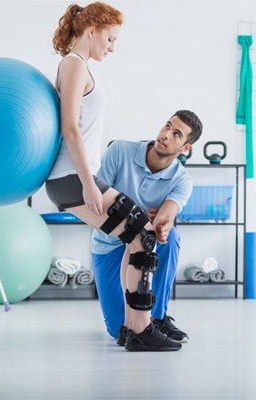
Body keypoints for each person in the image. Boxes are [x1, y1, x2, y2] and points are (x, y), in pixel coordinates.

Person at [45, 2, 200, 352]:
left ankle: (135, 329)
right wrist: (88, 181)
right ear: (93, 30)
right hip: (71, 176)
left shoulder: (80, 67)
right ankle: (141, 330)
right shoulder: (74, 65)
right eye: (111, 39)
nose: (112, 47)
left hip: (75, 175)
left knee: (141, 237)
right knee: (142, 236)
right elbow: (70, 128)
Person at [91, 110, 203, 347]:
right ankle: (143, 320)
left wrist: (159, 222)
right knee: (119, 330)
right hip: (108, 246)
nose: (165, 135)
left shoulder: (182, 180)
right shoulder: (120, 151)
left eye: (176, 134)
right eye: (167, 126)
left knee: (169, 236)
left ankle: (158, 318)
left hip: (144, 244)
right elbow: (95, 205)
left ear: (185, 149)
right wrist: (140, 214)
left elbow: (165, 217)